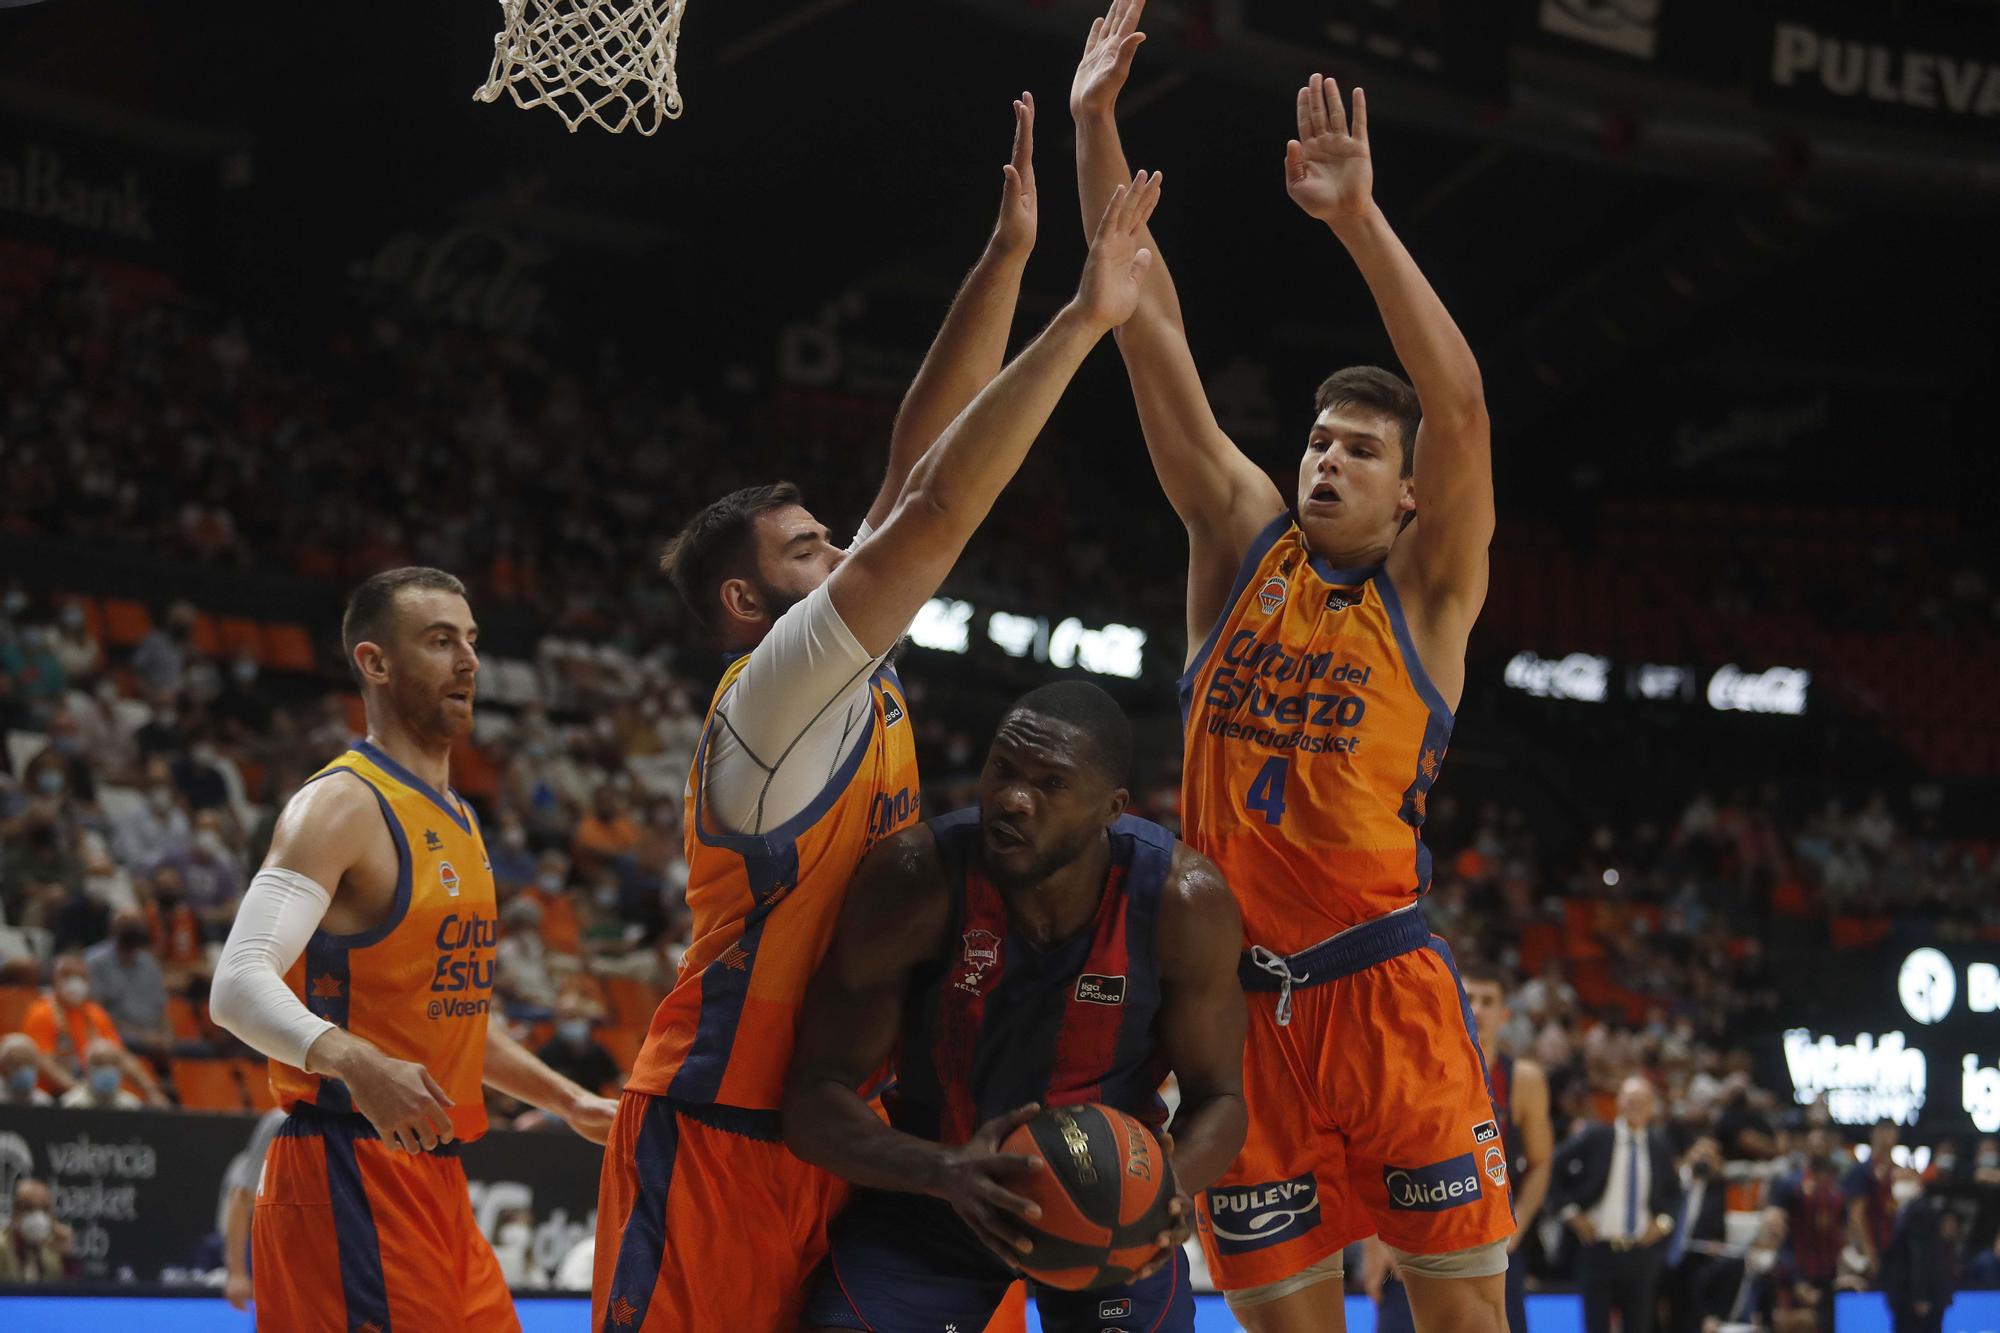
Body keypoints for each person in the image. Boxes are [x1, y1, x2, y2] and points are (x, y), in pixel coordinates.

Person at [593, 95, 1166, 1331]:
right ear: (749, 601)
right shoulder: (774, 687)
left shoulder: (849, 673)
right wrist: (1080, 319)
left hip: (829, 1132)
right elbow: (934, 511)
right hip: (714, 1128)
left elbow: (914, 465)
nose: (844, 545)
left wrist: (1006, 257)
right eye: (811, 547)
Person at [1070, 3, 1502, 1326]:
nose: (1326, 457)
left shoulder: (1427, 601)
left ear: (1411, 495)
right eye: (1319, 437)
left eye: (1362, 449)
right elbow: (1144, 319)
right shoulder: (1237, 549)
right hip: (1234, 1022)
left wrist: (1359, 223)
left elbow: (1465, 405)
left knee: (1464, 1319)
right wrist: (1094, 122)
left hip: (1389, 1002)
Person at [208, 566, 618, 1332]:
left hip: (433, 1180)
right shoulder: (338, 805)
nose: (469, 660)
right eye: (439, 641)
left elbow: (444, 1013)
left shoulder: (458, 813)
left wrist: (567, 1099)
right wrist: (355, 1060)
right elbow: (235, 984)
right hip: (344, 1173)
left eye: (471, 640)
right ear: (375, 661)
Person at [784, 682, 1247, 1332]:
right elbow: (811, 1096)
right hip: (932, 1195)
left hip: (1111, 1204)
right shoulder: (915, 879)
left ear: (1110, 808)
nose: (1012, 798)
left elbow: (1221, 1095)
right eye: (1003, 768)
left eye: (1051, 784)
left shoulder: (1183, 902)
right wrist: (945, 1170)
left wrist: (1170, 1185)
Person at [1374, 962, 1553, 1333]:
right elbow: (1373, 1156)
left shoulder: (1523, 1079)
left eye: (1489, 1001)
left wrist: (1515, 1230)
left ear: (1504, 1015)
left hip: (1495, 1239)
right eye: (1469, 998)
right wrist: (1375, 1243)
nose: (1478, 1009)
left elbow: (1541, 1162)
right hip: (1419, 1234)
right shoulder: (1414, 1068)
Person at [1553, 1075, 1684, 1333]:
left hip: (1641, 1253)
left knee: (1639, 1326)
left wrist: (1663, 1223)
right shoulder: (1596, 1137)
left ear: (1651, 1107)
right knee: (1595, 1326)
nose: (1635, 1106)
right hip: (1596, 1250)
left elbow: (1675, 1195)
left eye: (1642, 1100)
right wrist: (1570, 1213)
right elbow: (1553, 1169)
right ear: (1618, 1102)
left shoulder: (1660, 1145)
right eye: (1630, 1099)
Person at [19, 953, 167, 1104]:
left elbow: (120, 1057)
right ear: (55, 979)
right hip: (53, 1097)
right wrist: (76, 1090)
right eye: (68, 976)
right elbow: (44, 1062)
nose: (75, 983)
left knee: (129, 1103)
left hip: (89, 1093)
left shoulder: (95, 1013)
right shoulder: (42, 1012)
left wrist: (151, 1091)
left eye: (81, 977)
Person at [220, 1106, 289, 1311]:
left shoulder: (371, 1114)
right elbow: (242, 1199)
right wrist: (237, 1273)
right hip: (285, 1263)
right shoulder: (281, 1120)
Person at [84, 908, 174, 1056]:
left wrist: (167, 1037)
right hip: (117, 1036)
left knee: (198, 1051)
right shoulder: (96, 962)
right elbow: (96, 1014)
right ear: (112, 928)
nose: (132, 930)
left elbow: (163, 1011)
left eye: (136, 925)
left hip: (155, 1038)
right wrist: (143, 1037)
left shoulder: (150, 964)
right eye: (126, 925)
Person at [1845, 1120, 1901, 1284]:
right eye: (1882, 1131)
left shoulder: (1900, 1172)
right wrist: (1868, 1252)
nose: (1886, 1136)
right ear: (1873, 1135)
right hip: (1874, 1244)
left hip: (1897, 1246)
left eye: (1890, 1131)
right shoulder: (1861, 1171)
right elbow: (1856, 1214)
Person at [0, 1177, 77, 1283]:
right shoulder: (2, 1246)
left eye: (44, 1209)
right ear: (15, 1211)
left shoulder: (51, 1252)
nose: (38, 1216)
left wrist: (67, 1258)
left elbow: (68, 1294)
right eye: (29, 1208)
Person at [0, 1033, 52, 1104]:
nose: (24, 1069)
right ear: (2, 1067)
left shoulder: (44, 1102)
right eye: (17, 1064)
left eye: (29, 1064)